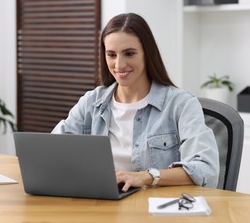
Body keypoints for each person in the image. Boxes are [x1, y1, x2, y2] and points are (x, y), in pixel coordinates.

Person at [52, 13, 219, 192]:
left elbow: (206, 170)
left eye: (129, 53)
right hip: (99, 205)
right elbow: (51, 151)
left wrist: (144, 177)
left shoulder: (181, 104)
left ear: (147, 53)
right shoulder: (91, 102)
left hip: (154, 211)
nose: (119, 64)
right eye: (111, 55)